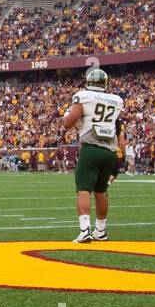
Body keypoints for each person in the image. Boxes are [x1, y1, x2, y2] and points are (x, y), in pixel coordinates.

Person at [62, 67, 125, 242]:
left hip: (91, 148)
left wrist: (67, 114)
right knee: (101, 191)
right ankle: (101, 230)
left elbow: (68, 123)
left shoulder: (84, 96)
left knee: (83, 189)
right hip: (109, 150)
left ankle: (84, 231)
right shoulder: (116, 100)